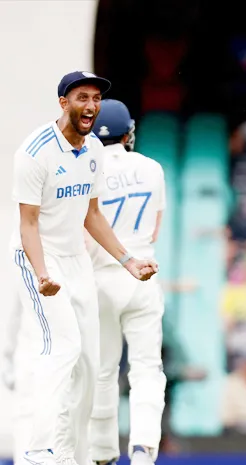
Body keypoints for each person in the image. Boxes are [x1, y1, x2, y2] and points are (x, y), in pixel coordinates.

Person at [10, 71, 159, 465]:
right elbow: (27, 224)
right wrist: (43, 274)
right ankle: (37, 451)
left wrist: (127, 261)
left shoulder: (93, 149)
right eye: (81, 98)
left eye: (95, 98)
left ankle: (70, 453)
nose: (90, 105)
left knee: (92, 365)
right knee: (63, 351)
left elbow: (92, 215)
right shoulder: (34, 151)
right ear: (63, 102)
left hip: (76, 260)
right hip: (39, 260)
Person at [87, 99, 168, 465]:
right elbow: (155, 227)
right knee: (147, 368)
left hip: (101, 276)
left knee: (103, 370)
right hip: (143, 273)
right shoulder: (151, 167)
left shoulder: (85, 168)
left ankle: (103, 453)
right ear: (128, 132)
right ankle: (143, 448)